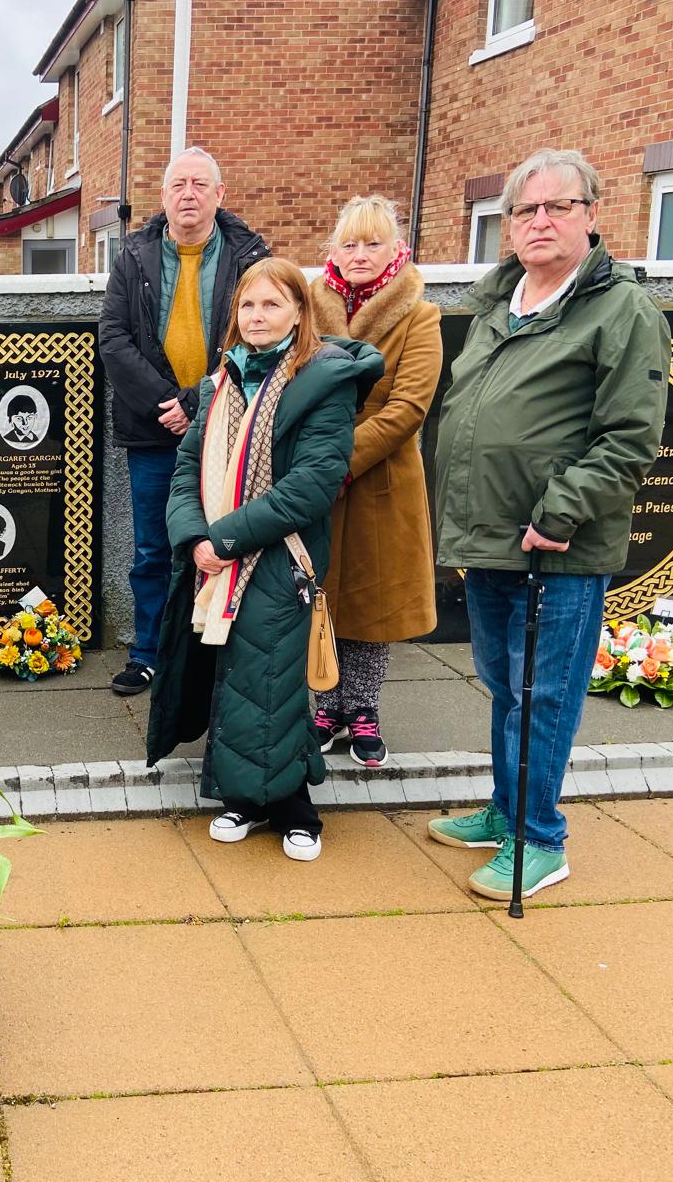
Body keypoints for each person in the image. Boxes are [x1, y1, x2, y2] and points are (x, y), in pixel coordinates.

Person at [428, 149, 669, 901]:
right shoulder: (501, 303)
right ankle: (507, 811)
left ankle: (541, 840)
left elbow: (630, 436)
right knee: (507, 685)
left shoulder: (620, 309)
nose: (539, 222)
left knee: (544, 693)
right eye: (524, 211)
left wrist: (560, 511)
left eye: (556, 207)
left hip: (553, 545)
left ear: (591, 216)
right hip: (493, 536)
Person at [146, 259, 383, 862]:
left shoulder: (320, 382)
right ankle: (247, 796)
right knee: (236, 676)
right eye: (248, 306)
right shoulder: (221, 382)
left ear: (300, 314)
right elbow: (185, 471)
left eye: (272, 305)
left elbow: (311, 484)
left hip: (280, 553)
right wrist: (193, 537)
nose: (257, 317)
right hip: (214, 557)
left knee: (268, 673)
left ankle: (286, 805)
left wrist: (223, 539)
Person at [99, 147, 270, 696]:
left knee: (223, 544)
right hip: (153, 430)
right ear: (164, 196)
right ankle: (147, 652)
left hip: (227, 424)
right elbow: (114, 338)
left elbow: (261, 336)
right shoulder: (133, 255)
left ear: (220, 195)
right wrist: (168, 402)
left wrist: (197, 401)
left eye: (200, 184)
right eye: (178, 184)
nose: (188, 193)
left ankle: (216, 657)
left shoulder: (250, 257)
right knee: (153, 547)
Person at [306, 195, 442, 767]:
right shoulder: (307, 305)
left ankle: (361, 708)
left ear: (396, 250)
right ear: (333, 249)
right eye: (349, 243)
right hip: (313, 478)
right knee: (317, 595)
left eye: (374, 243)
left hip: (379, 480)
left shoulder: (419, 315)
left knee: (372, 601)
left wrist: (340, 460)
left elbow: (409, 407)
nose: (360, 255)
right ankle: (321, 704)